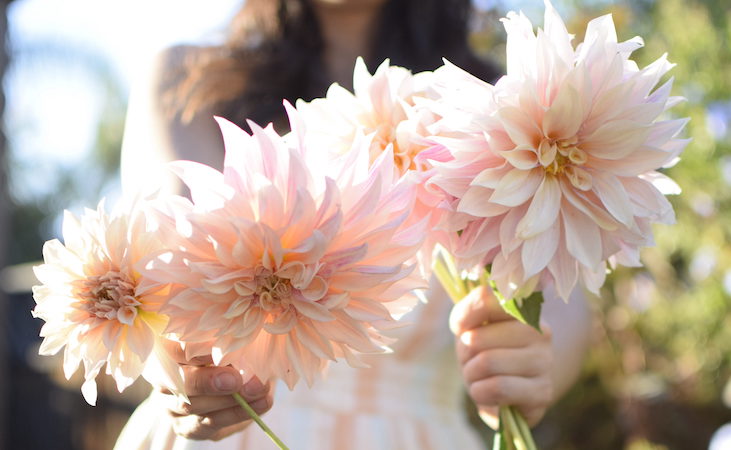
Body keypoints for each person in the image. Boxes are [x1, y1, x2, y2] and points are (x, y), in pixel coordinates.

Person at [116, 0, 592, 448]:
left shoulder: (505, 104)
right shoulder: (190, 81)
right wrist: (174, 352)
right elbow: (162, 247)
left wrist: (531, 363)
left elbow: (563, 298)